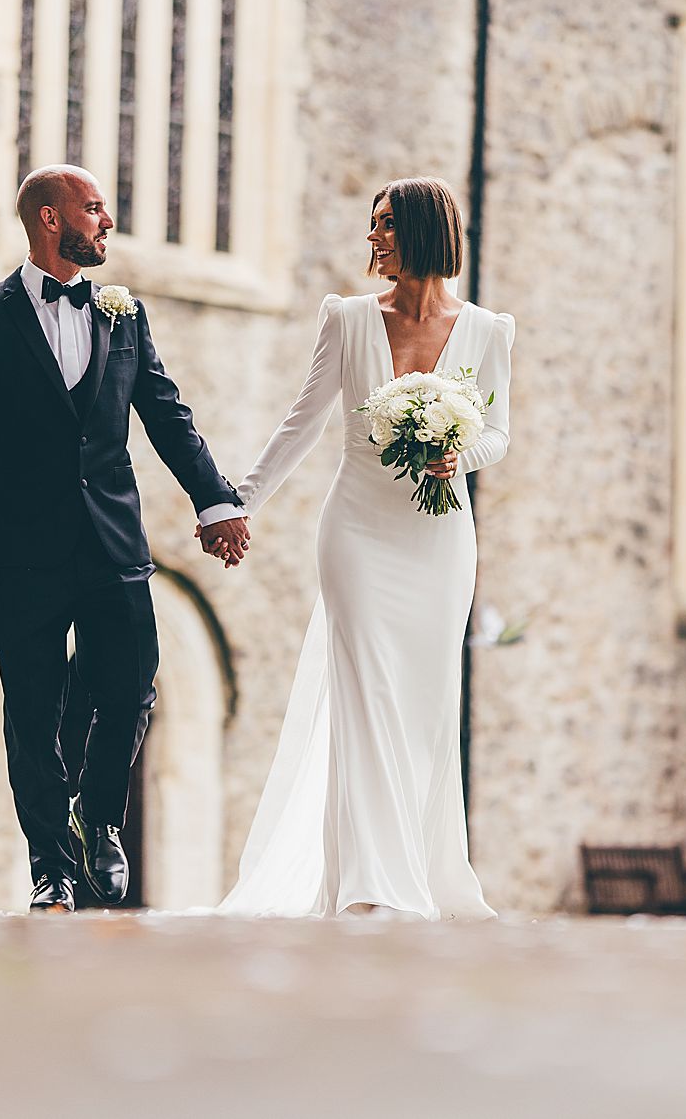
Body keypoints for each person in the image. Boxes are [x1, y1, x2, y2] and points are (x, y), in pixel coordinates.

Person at [0, 164, 251, 913]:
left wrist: (215, 500)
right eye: (95, 207)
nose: (107, 221)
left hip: (114, 539)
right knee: (33, 709)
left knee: (132, 684)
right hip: (21, 546)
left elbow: (165, 411)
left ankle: (99, 817)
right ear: (51, 219)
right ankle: (50, 868)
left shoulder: (123, 314)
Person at [215, 176, 514, 920]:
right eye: (371, 223)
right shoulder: (346, 320)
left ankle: (423, 869)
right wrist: (237, 499)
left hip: (438, 540)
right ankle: (369, 882)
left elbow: (500, 432)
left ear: (423, 231)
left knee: (424, 700)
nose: (372, 237)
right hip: (355, 532)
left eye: (384, 224)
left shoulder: (488, 330)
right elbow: (303, 421)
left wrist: (462, 453)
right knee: (365, 695)